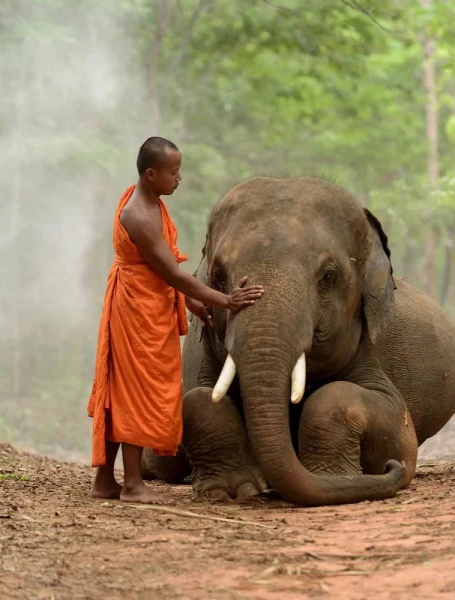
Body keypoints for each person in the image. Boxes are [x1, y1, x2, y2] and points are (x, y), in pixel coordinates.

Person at [87, 136, 263, 504]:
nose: (179, 178)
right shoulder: (137, 214)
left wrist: (189, 301)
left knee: (122, 388)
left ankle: (105, 480)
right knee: (136, 389)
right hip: (137, 310)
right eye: (173, 172)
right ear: (151, 174)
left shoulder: (150, 202)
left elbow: (162, 270)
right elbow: (172, 273)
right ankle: (132, 483)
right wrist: (226, 301)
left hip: (147, 302)